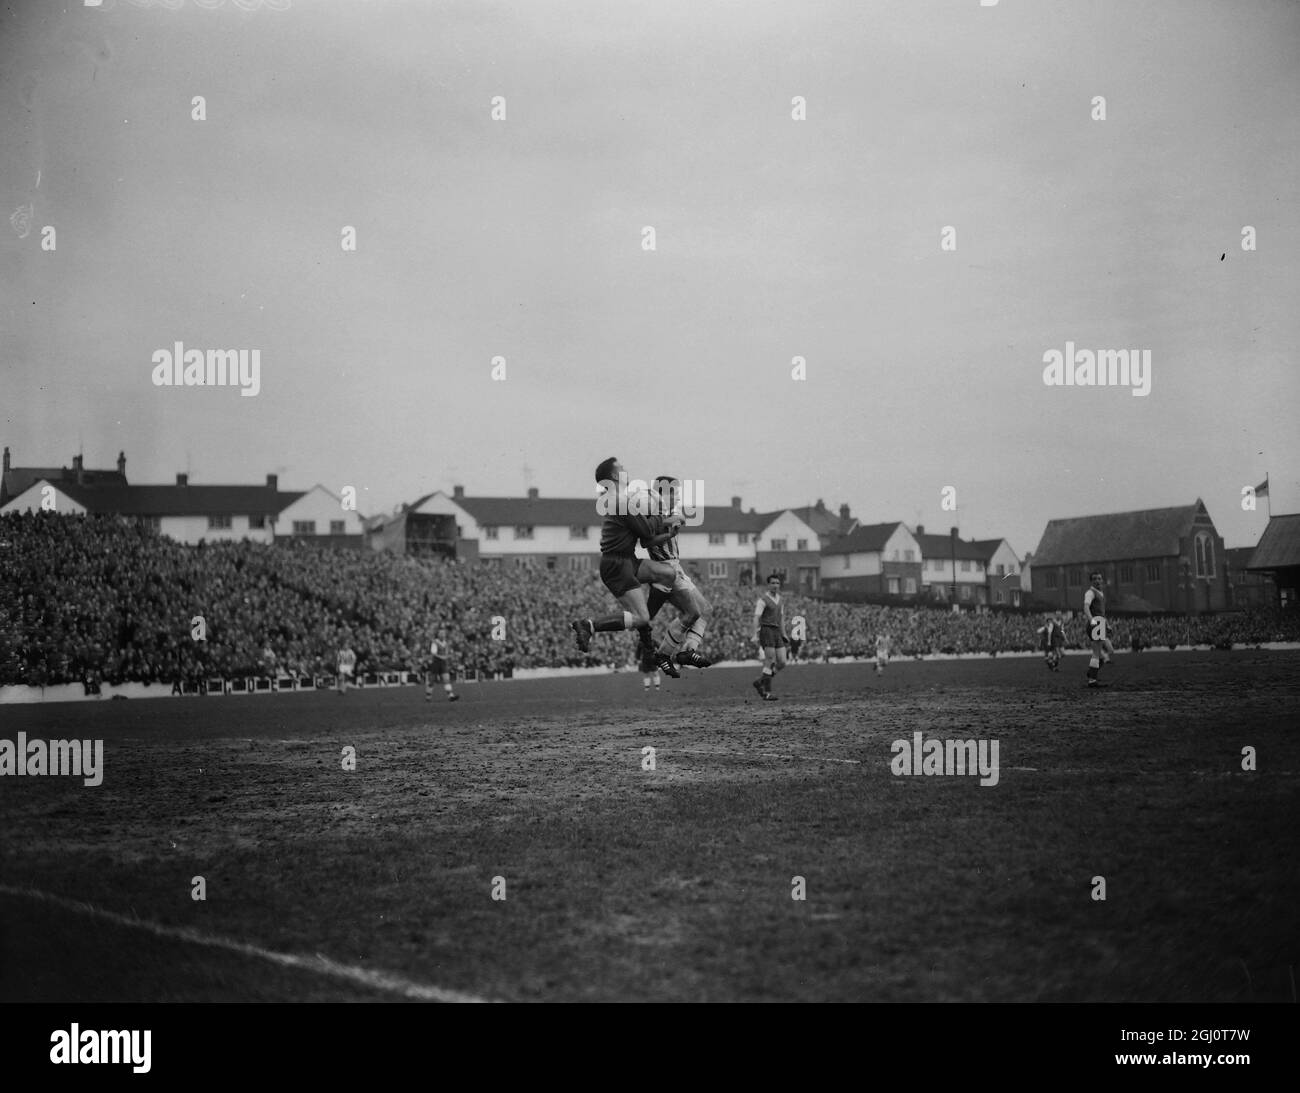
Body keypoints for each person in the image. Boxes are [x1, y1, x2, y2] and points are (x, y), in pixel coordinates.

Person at [571, 457, 683, 678]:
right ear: (614, 476)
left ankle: (645, 633)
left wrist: (667, 529)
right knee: (641, 617)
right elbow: (646, 532)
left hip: (626, 560)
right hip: (617, 564)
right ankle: (589, 625)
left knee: (667, 574)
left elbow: (645, 529)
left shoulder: (621, 499)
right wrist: (667, 519)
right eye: (621, 468)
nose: (626, 470)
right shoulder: (620, 501)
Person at [643, 475, 711, 672]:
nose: (678, 497)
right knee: (692, 613)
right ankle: (664, 654)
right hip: (665, 569)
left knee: (706, 610)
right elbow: (646, 542)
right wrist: (668, 523)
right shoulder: (650, 513)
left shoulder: (665, 513)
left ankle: (688, 651)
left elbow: (680, 518)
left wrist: (671, 520)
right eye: (675, 493)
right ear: (662, 494)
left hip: (676, 566)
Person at [752, 572, 789, 700]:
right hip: (767, 630)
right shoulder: (763, 600)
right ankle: (767, 693)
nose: (775, 585)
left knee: (782, 662)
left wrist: (784, 633)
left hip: (777, 631)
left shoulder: (781, 599)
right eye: (773, 583)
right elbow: (756, 617)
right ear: (768, 585)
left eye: (777, 583)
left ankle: (760, 681)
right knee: (769, 660)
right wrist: (755, 634)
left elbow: (782, 618)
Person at [1083, 571, 1114, 688]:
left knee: (1109, 651)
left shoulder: (1100, 593)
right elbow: (1086, 607)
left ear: (1102, 580)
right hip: (1096, 623)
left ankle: (1092, 672)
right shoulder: (1090, 593)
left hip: (1100, 623)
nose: (1097, 580)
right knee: (1097, 653)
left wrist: (1107, 625)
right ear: (1091, 581)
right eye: (1095, 578)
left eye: (1099, 578)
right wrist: (1092, 620)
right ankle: (1092, 679)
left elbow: (1102, 613)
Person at [425, 633, 460, 702]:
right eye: (441, 634)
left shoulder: (445, 643)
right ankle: (428, 697)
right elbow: (433, 653)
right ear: (439, 636)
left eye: (443, 634)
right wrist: (442, 657)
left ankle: (450, 696)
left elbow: (447, 653)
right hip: (436, 663)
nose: (443, 635)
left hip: (443, 663)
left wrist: (450, 655)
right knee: (432, 681)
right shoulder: (435, 642)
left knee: (446, 679)